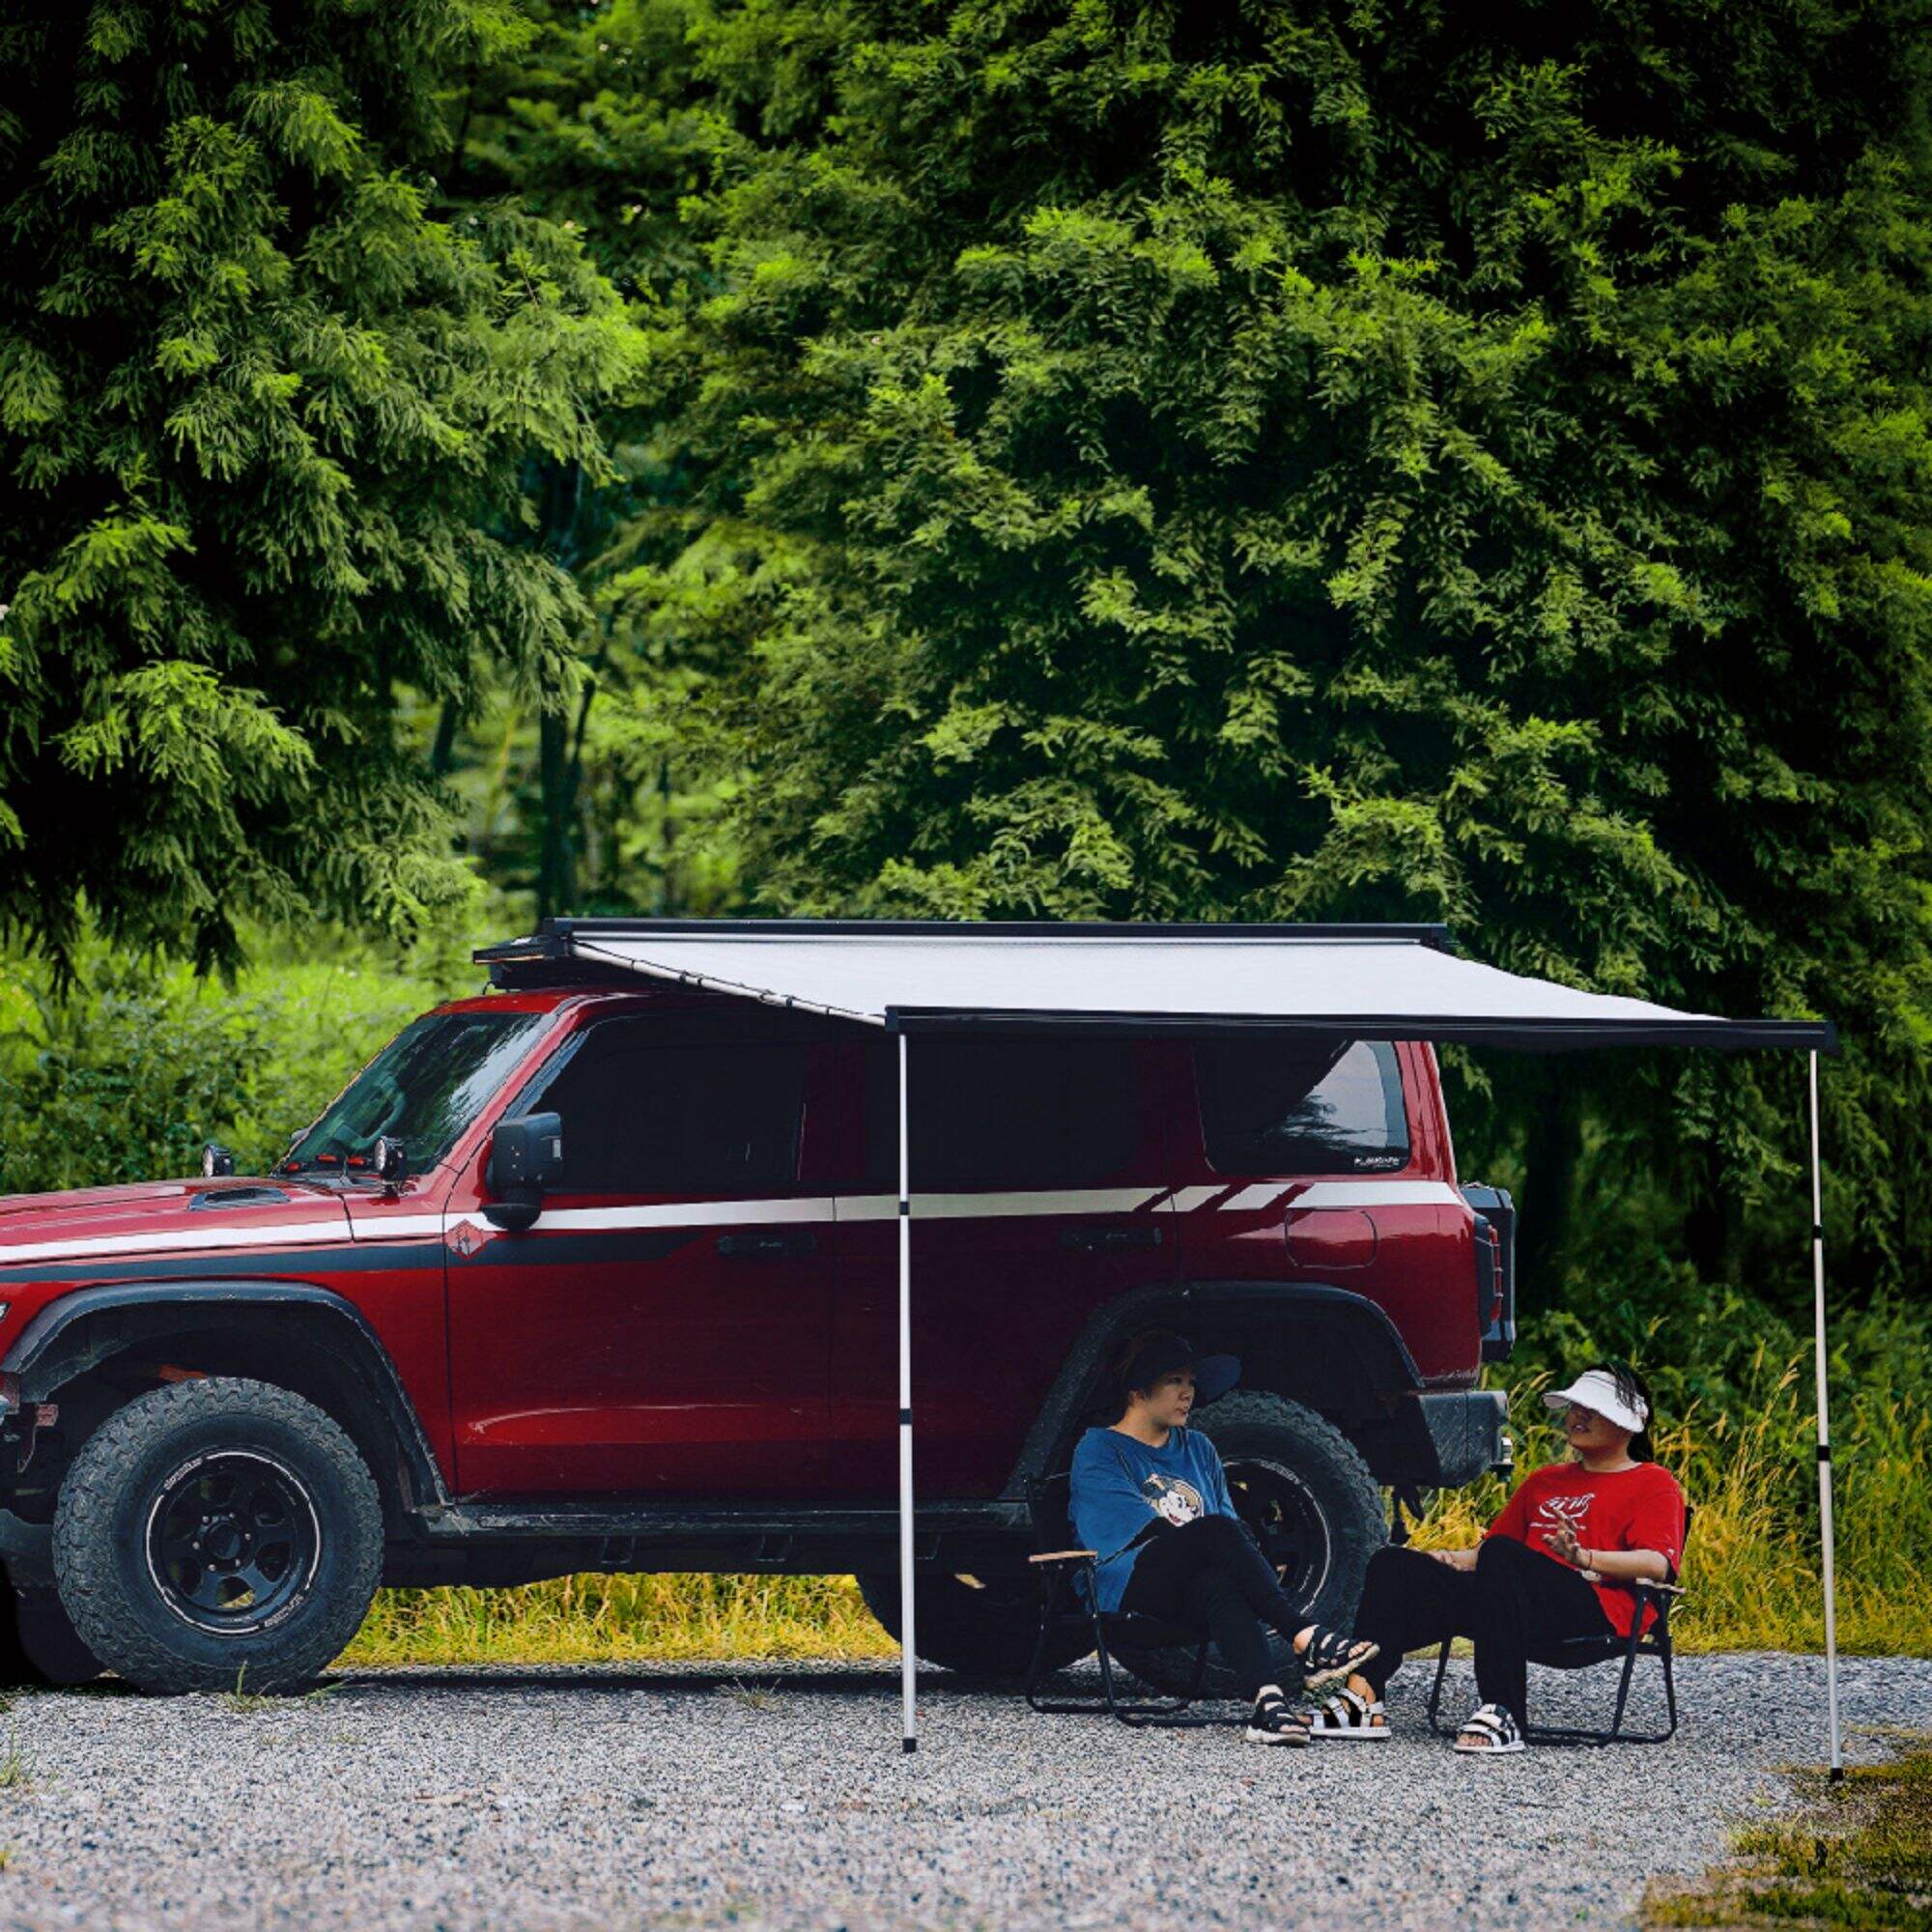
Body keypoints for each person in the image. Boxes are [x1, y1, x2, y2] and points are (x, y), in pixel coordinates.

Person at [1293, 1361, 1686, 1754]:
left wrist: (1585, 1557)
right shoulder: (1544, 1481)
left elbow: (1657, 1564)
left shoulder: (1652, 1482)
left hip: (1592, 1608)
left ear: (1629, 1423)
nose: (1578, 1415)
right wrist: (1444, 1560)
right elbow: (1487, 1554)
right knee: (1392, 1565)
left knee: (1503, 1556)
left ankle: (1504, 1711)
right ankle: (1363, 1699)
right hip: (1508, 1603)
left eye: (1594, 1408)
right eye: (1575, 1405)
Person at [1068, 1330, 1376, 1747]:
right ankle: (1305, 1636)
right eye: (1174, 1381)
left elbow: (1230, 1531)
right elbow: (1143, 1531)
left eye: (1191, 1382)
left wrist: (1229, 1551)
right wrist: (1220, 1543)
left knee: (1219, 1580)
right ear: (1138, 1389)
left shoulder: (1198, 1447)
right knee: (1215, 1533)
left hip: (1189, 1587)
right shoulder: (1099, 1448)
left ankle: (1268, 1704)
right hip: (1128, 1584)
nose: (1188, 1393)